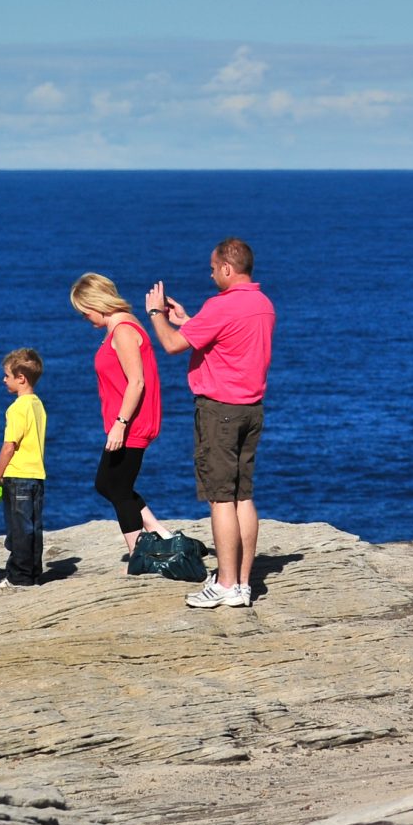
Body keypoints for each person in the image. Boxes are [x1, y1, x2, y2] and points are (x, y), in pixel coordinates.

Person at [145, 237, 274, 611]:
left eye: (214, 268)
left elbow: (171, 345)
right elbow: (227, 342)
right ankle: (244, 582)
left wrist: (156, 314)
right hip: (252, 409)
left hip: (220, 412)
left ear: (228, 269)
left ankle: (226, 584)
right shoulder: (263, 304)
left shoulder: (223, 305)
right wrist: (189, 322)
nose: (211, 273)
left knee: (220, 498)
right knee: (243, 496)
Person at [72, 273, 174, 560]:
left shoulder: (124, 330)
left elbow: (137, 382)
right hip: (126, 422)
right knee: (111, 484)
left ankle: (138, 553)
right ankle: (159, 533)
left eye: (85, 312)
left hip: (131, 424)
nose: (85, 318)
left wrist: (120, 424)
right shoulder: (119, 327)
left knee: (113, 485)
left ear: (98, 303)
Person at [0, 348, 48, 586]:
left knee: (18, 529)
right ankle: (34, 573)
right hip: (36, 475)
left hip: (17, 475)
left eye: (7, 375)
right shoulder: (38, 405)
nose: (4, 380)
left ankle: (18, 576)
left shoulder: (17, 408)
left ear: (21, 378)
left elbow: (9, 445)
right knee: (33, 528)